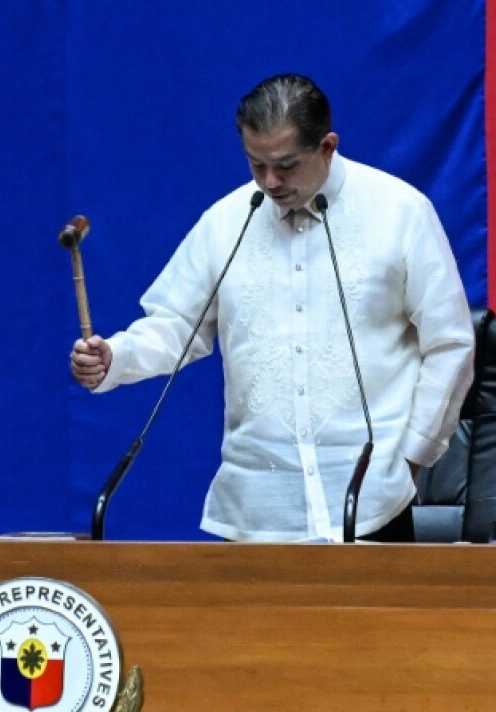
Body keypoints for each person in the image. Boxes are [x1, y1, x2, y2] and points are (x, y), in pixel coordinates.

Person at [71, 73, 474, 542]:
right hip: (255, 510)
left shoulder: (400, 212)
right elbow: (177, 325)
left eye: (285, 165)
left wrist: (414, 455)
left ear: (327, 147)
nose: (269, 181)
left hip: (370, 503)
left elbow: (450, 342)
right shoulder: (226, 222)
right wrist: (115, 358)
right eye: (255, 164)